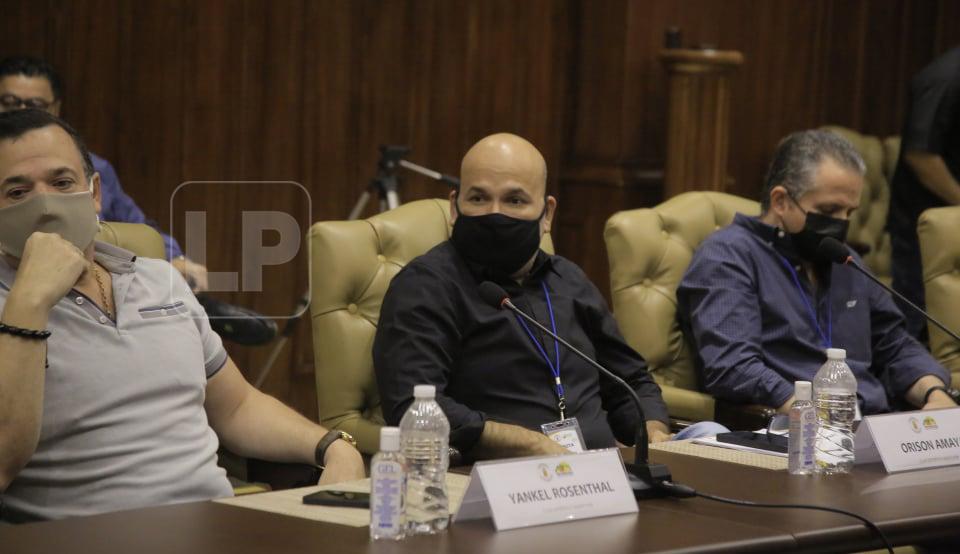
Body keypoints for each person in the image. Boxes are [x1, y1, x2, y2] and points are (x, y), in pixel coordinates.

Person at [0, 109, 364, 523]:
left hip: (217, 526)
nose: (45, 204)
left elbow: (237, 407)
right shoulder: (12, 305)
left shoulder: (158, 278)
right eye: (17, 192)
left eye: (62, 183)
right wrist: (28, 303)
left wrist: (334, 445)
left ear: (95, 193)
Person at [373, 133, 724, 462]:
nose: (495, 213)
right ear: (455, 207)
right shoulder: (425, 285)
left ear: (547, 214)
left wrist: (653, 433)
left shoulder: (568, 279)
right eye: (478, 198)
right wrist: (530, 442)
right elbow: (412, 405)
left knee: (713, 437)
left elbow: (630, 380)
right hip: (505, 478)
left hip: (606, 471)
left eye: (515, 200)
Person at [678, 129, 955, 415]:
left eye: (849, 212)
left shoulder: (845, 260)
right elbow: (733, 366)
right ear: (781, 201)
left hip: (875, 424)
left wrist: (933, 391)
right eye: (829, 209)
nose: (841, 223)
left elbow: (894, 344)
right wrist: (808, 412)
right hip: (796, 428)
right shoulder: (728, 256)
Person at [0, 55, 209, 291]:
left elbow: (138, 227)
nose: (23, 113)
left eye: (61, 183)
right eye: (9, 102)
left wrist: (177, 259)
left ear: (56, 108)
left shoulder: (91, 165)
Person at [887, 46, 960, 340]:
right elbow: (921, 156)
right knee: (914, 328)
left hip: (952, 223)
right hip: (920, 229)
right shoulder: (945, 77)